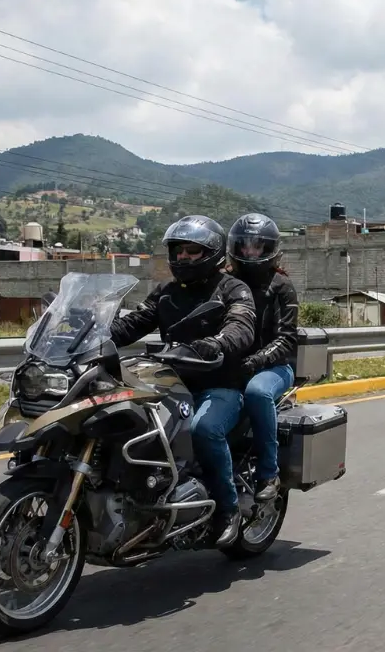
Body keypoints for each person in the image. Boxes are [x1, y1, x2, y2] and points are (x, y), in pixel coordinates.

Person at [108, 215, 257, 548]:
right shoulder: (167, 292)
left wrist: (219, 342)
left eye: (192, 250)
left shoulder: (233, 288)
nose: (184, 257)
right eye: (179, 251)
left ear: (213, 253)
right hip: (170, 383)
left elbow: (242, 325)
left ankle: (228, 510)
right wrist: (94, 332)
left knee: (204, 429)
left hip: (220, 385)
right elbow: (134, 323)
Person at [226, 212, 298, 504]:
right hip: (232, 364)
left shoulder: (281, 286)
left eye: (257, 246)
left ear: (270, 248)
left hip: (275, 367)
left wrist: (257, 361)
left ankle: (269, 472)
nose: (250, 252)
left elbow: (287, 338)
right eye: (244, 245)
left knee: (257, 392)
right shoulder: (226, 282)